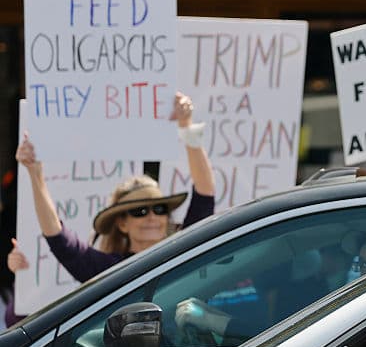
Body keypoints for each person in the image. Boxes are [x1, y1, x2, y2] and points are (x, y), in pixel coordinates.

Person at [5, 92, 214, 327]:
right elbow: (58, 237)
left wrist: (186, 127)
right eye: (140, 212)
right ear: (121, 224)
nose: (153, 217)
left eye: (159, 208)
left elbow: (205, 193)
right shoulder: (111, 270)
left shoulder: (185, 252)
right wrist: (35, 174)